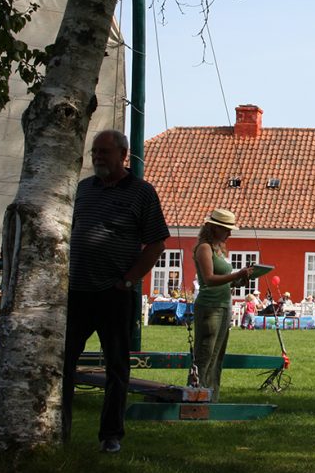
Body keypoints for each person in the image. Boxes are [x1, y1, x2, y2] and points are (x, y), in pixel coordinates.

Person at [62, 129, 170, 455]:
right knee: (63, 362)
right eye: (94, 151)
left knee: (117, 367)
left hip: (114, 294)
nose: (97, 157)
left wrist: (128, 280)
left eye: (104, 152)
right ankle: (58, 427)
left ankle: (111, 434)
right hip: (77, 291)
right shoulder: (82, 190)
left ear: (123, 155)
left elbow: (156, 243)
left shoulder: (141, 193)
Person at [191, 209, 253, 400]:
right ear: (215, 228)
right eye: (227, 229)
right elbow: (209, 279)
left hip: (224, 306)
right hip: (210, 307)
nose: (230, 233)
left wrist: (240, 281)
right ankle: (196, 394)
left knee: (217, 356)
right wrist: (237, 275)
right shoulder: (204, 248)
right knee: (205, 353)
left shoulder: (218, 249)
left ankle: (211, 396)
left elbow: (225, 280)